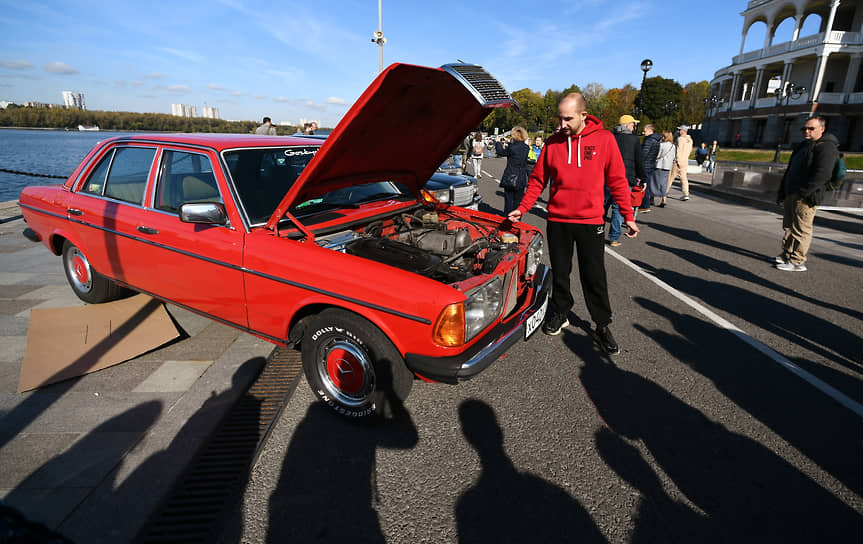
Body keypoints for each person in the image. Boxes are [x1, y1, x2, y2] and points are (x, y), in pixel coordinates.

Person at [507, 93, 639, 354]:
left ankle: (602, 324)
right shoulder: (553, 142)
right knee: (560, 271)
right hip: (558, 220)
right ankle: (561, 311)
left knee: (594, 275)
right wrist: (522, 208)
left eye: (568, 118)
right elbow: (537, 180)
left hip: (591, 221)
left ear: (583, 115)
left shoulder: (604, 140)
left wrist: (628, 216)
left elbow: (617, 181)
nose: (562, 123)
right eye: (560, 118)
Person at [774, 115, 839, 272]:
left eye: (811, 128)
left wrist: (804, 192)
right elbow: (790, 170)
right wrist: (783, 192)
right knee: (789, 227)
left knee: (801, 229)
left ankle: (797, 261)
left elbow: (823, 174)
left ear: (822, 129)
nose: (807, 131)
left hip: (805, 196)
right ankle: (787, 254)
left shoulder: (826, 147)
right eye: (804, 128)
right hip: (791, 192)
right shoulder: (803, 145)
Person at [607, 114, 646, 246]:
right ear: (627, 125)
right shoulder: (633, 140)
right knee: (618, 208)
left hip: (607, 176)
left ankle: (597, 232)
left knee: (602, 205)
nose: (634, 126)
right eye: (633, 124)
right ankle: (614, 237)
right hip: (626, 177)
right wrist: (643, 178)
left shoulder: (611, 137)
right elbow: (639, 161)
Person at [494, 126, 531, 216]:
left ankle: (508, 218)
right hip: (521, 177)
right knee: (518, 201)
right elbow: (517, 148)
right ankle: (517, 219)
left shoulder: (512, 148)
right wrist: (509, 143)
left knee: (509, 200)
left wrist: (498, 142)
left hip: (511, 175)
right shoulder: (526, 148)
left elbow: (500, 152)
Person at [667, 125, 693, 201]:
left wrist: (677, 160)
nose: (678, 131)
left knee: (671, 177)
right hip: (685, 160)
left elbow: (678, 150)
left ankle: (665, 192)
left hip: (678, 161)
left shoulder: (680, 139)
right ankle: (686, 193)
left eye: (680, 130)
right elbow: (690, 150)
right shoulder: (690, 140)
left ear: (683, 131)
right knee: (683, 178)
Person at [639, 124, 662, 212]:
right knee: (647, 185)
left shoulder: (649, 140)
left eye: (644, 131)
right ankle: (646, 204)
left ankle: (644, 205)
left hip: (645, 165)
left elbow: (644, 153)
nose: (643, 133)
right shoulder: (657, 140)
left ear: (650, 131)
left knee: (643, 186)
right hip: (651, 165)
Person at [651, 131, 675, 208]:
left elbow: (657, 155)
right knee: (664, 183)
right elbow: (673, 156)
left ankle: (652, 198)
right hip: (667, 166)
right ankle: (664, 198)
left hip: (659, 165)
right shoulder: (673, 146)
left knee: (654, 182)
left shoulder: (661, 145)